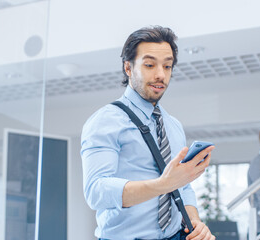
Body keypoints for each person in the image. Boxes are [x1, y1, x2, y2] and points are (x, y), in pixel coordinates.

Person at [81, 26, 215, 240]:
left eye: (168, 66)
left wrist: (195, 222)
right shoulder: (105, 121)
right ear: (128, 67)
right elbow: (96, 191)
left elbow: (183, 187)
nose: (161, 74)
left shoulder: (173, 126)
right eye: (150, 65)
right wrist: (162, 185)